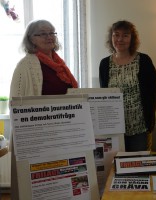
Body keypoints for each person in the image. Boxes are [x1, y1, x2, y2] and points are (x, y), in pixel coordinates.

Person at [9, 19, 78, 200]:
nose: (49, 37)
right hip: (39, 135)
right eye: (43, 33)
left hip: (62, 131)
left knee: (60, 180)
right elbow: (17, 103)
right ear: (31, 39)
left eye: (52, 32)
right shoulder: (25, 65)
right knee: (41, 184)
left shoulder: (60, 64)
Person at [99, 20, 156, 152]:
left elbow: (153, 92)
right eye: (116, 35)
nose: (120, 39)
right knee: (115, 167)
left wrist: (150, 121)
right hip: (113, 128)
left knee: (137, 165)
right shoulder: (104, 64)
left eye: (125, 35)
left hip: (138, 127)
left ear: (132, 39)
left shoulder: (144, 60)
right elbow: (103, 96)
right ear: (111, 37)